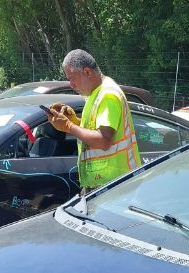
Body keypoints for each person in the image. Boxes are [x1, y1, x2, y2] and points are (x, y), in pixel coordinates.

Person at [46, 49, 140, 193]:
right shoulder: (96, 93)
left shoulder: (108, 95)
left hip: (115, 186)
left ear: (87, 72)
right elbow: (95, 131)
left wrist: (69, 126)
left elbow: (103, 140)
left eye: (72, 78)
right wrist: (75, 121)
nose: (70, 84)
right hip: (107, 184)